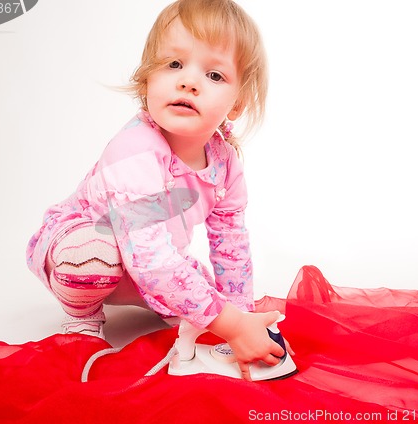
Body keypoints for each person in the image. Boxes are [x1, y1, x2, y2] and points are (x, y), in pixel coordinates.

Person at [26, 0, 291, 381]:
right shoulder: (135, 151)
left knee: (193, 283)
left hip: (146, 257)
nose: (189, 81)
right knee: (92, 258)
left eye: (214, 75)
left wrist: (241, 317)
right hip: (82, 243)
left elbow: (230, 241)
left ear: (237, 104)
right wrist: (229, 324)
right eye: (174, 65)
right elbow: (150, 260)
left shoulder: (224, 163)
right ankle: (81, 316)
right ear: (146, 79)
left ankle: (162, 298)